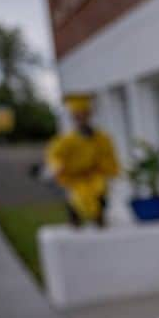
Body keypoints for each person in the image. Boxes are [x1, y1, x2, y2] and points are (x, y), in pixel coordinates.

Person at [45, 93, 120, 228]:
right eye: (78, 115)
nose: (81, 118)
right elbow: (55, 156)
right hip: (76, 179)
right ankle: (76, 219)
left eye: (84, 114)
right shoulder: (67, 141)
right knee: (76, 198)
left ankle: (99, 218)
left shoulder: (101, 138)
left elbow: (109, 157)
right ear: (73, 117)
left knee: (100, 191)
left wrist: (104, 169)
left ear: (89, 114)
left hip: (94, 177)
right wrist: (58, 166)